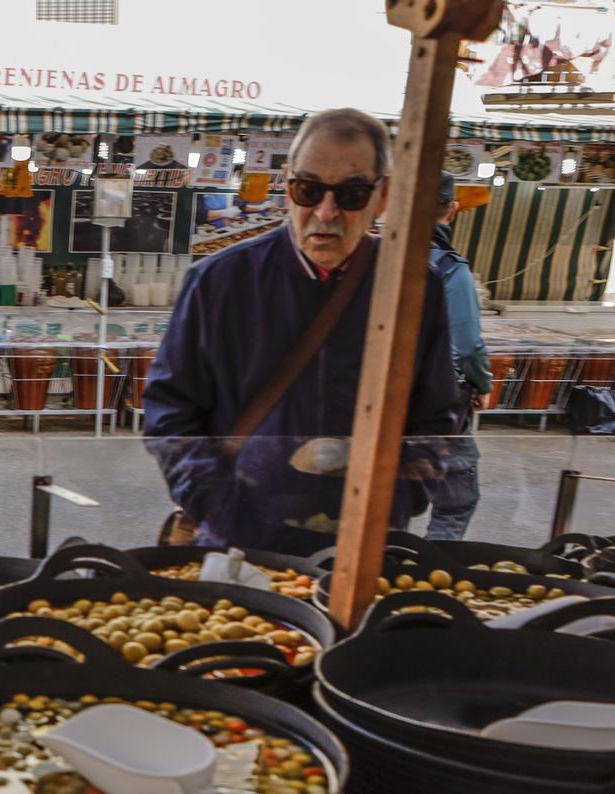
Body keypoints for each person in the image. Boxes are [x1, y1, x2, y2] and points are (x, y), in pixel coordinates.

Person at [142, 108, 460, 553]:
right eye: (308, 189)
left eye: (351, 194)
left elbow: (437, 416)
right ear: (287, 185)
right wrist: (216, 503)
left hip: (363, 544)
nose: (325, 211)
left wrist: (399, 498)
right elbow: (169, 411)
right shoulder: (218, 281)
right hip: (241, 539)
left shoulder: (413, 288)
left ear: (382, 197)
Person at [426, 171, 491, 541]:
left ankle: (381, 567)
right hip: (438, 404)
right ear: (451, 211)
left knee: (385, 501)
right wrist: (482, 382)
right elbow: (467, 346)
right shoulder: (450, 269)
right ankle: (429, 568)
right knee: (456, 499)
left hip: (372, 405)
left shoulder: (368, 260)